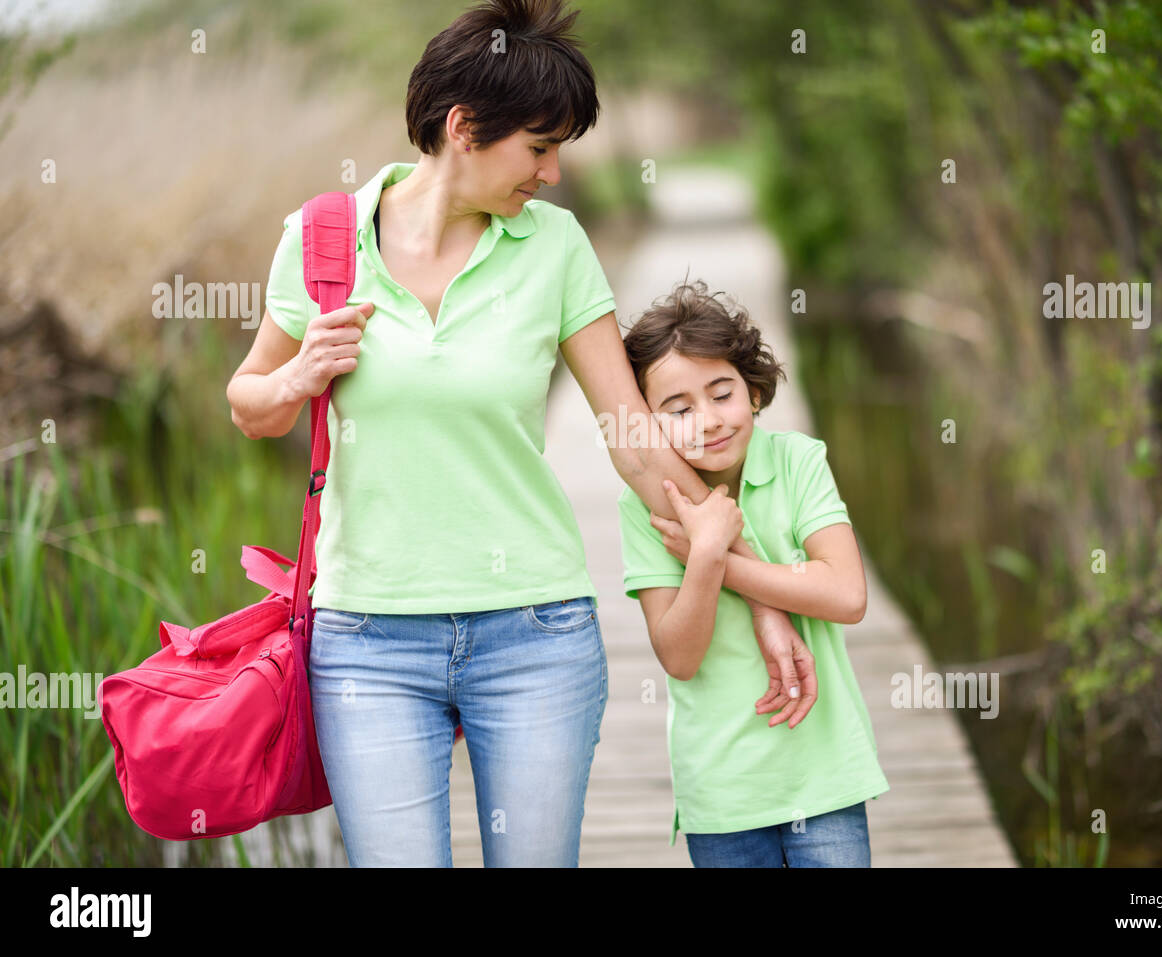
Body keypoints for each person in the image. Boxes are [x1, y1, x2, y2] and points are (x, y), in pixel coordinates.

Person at [226, 0, 817, 867]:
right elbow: (250, 405)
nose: (550, 173)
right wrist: (298, 374)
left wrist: (756, 590)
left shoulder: (555, 246)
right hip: (367, 641)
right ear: (465, 127)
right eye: (539, 148)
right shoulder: (322, 241)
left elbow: (632, 436)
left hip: (533, 633)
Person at [617, 279, 890, 867]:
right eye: (679, 409)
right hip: (723, 789)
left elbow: (846, 595)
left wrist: (718, 560)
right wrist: (708, 556)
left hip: (823, 773)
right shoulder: (643, 506)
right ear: (650, 424)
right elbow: (680, 656)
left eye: (722, 394)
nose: (709, 421)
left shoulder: (797, 461)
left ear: (755, 392)